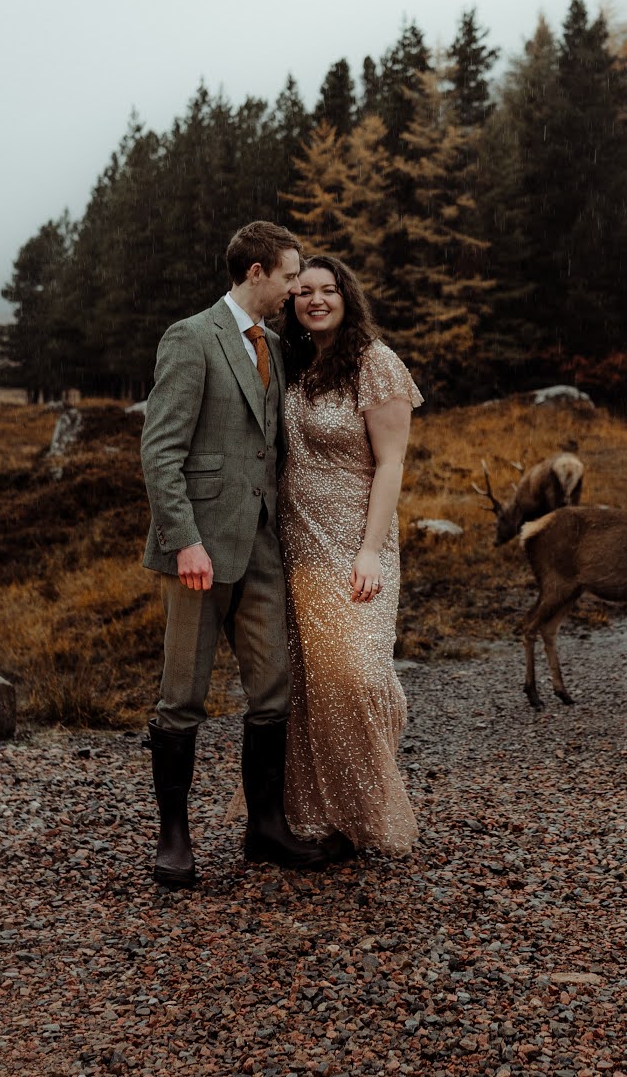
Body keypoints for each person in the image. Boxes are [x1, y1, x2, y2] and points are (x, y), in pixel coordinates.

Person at [137, 221, 343, 889]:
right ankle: (174, 837)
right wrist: (184, 539)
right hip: (197, 549)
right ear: (255, 272)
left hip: (260, 545)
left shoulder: (278, 348)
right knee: (181, 697)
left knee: (274, 685)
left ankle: (267, 829)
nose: (294, 288)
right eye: (288, 275)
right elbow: (160, 451)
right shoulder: (191, 338)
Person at [277, 255, 423, 855]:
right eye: (303, 291)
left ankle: (370, 803)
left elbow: (391, 464)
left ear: (346, 295)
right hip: (298, 541)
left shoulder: (375, 362)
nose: (315, 300)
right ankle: (318, 815)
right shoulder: (293, 362)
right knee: (312, 680)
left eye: (327, 290)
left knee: (360, 674)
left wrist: (368, 551)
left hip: (356, 543)